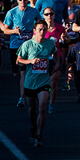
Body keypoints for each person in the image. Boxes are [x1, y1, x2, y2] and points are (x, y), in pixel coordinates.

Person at [16, 18, 57, 146]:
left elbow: (56, 55)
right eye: (40, 29)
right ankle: (33, 127)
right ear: (34, 31)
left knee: (42, 106)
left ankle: (39, 135)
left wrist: (55, 67)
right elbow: (18, 60)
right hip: (30, 82)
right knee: (32, 109)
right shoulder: (27, 45)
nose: (42, 32)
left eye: (44, 29)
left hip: (44, 81)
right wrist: (30, 61)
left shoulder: (50, 43)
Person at [4, 0, 41, 107]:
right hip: (15, 45)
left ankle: (23, 97)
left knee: (24, 72)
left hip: (29, 46)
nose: (23, 2)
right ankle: (25, 90)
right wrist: (14, 31)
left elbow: (41, 24)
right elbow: (5, 30)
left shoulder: (34, 11)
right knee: (17, 72)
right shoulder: (11, 12)